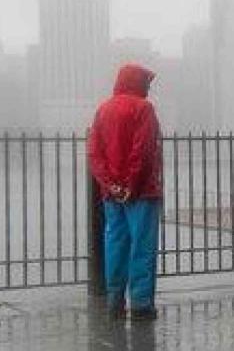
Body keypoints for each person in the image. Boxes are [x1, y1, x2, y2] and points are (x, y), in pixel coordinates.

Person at [88, 63, 162, 320]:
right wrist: (131, 185)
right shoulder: (144, 109)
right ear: (137, 83)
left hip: (112, 194)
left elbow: (95, 154)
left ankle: (114, 301)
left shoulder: (103, 110)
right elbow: (142, 152)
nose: (149, 89)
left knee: (115, 244)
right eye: (147, 83)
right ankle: (141, 304)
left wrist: (111, 184)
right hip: (142, 192)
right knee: (142, 245)